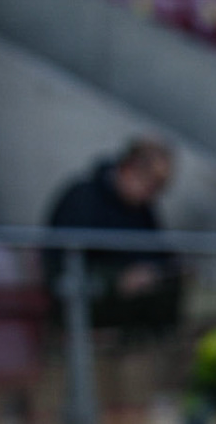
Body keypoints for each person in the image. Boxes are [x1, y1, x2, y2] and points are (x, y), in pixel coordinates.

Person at [46, 138, 180, 330]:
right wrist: (117, 279)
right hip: (89, 312)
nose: (153, 194)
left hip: (134, 313)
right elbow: (63, 266)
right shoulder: (83, 200)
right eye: (152, 185)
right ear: (129, 169)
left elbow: (161, 255)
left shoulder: (142, 209)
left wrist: (163, 272)